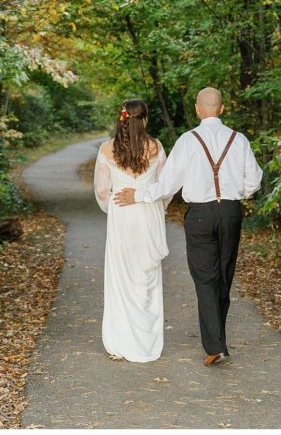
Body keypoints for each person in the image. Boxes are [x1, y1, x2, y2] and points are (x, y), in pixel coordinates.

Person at [115, 87, 263, 366]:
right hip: (231, 211)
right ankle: (218, 341)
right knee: (224, 275)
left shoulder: (187, 140)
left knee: (205, 277)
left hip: (200, 215)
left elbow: (168, 184)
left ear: (197, 109)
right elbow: (254, 181)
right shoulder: (239, 139)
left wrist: (139, 195)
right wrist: (235, 194)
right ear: (221, 109)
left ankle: (215, 345)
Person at [92, 99, 171, 362]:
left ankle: (121, 342)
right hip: (148, 215)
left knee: (121, 277)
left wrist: (111, 207)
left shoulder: (106, 149)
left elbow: (102, 191)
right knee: (146, 277)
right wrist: (157, 207)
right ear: (145, 120)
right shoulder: (156, 147)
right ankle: (146, 341)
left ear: (122, 120)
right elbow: (166, 187)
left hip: (122, 216)